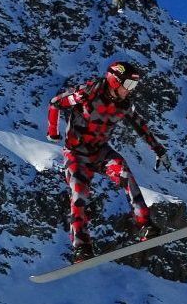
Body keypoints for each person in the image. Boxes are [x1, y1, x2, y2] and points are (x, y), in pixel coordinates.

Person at [46, 61, 170, 262]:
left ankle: (146, 224)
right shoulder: (86, 94)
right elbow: (55, 103)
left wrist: (158, 149)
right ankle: (82, 248)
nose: (130, 90)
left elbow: (140, 126)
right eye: (128, 85)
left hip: (100, 152)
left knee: (126, 175)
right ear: (115, 81)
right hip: (76, 153)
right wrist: (53, 131)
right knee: (79, 197)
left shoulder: (124, 105)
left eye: (134, 86)